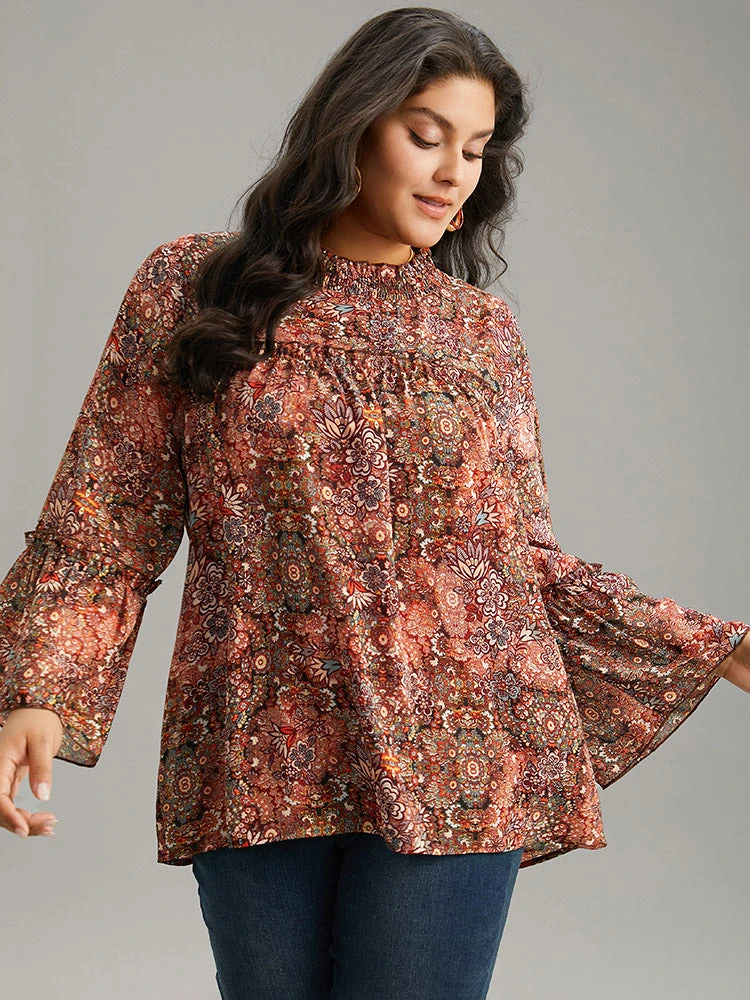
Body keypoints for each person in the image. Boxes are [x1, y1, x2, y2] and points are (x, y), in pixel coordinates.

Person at [1, 7, 748, 1000]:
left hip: (457, 752)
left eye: (475, 150)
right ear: (352, 128)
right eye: (426, 136)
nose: (454, 173)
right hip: (255, 745)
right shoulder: (192, 286)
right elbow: (107, 514)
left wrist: (711, 645)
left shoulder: (481, 333)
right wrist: (40, 689)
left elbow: (519, 563)